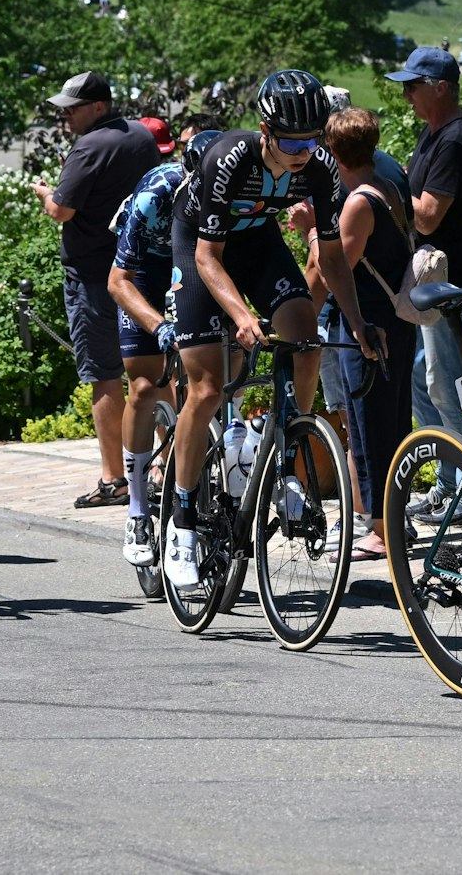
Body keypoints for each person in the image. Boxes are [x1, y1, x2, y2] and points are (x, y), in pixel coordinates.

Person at [162, 70, 384, 592]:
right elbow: (207, 257)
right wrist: (241, 316)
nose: (303, 151)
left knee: (305, 335)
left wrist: (356, 324)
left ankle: (285, 459)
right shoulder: (229, 159)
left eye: (313, 139)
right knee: (208, 387)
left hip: (257, 241)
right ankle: (183, 519)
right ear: (265, 129)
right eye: (291, 141)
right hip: (200, 245)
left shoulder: (321, 168)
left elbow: (331, 259)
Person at [31, 72, 163, 509]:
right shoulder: (142, 137)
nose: (65, 114)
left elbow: (63, 210)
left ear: (99, 106)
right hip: (143, 271)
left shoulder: (90, 146)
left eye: (73, 106)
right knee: (152, 370)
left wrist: (46, 195)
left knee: (104, 376)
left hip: (92, 275)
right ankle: (166, 465)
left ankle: (115, 479)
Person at [302, 107, 416, 563]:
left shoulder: (357, 204)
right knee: (391, 421)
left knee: (370, 429)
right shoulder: (388, 186)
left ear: (332, 152)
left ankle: (382, 531)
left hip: (367, 327)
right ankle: (386, 519)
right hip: (396, 321)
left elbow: (334, 270)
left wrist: (311, 231)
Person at [105, 130, 219, 568]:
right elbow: (119, 282)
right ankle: (136, 509)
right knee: (145, 382)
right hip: (144, 270)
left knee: (214, 369)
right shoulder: (155, 195)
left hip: (194, 261)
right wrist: (157, 325)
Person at [382, 47, 462, 521]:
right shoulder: (434, 133)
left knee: (447, 386)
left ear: (441, 87)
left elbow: (426, 217)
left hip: (449, 284)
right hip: (430, 282)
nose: (406, 95)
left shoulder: (457, 140)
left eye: (412, 85)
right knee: (427, 385)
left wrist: (386, 191)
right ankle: (448, 485)